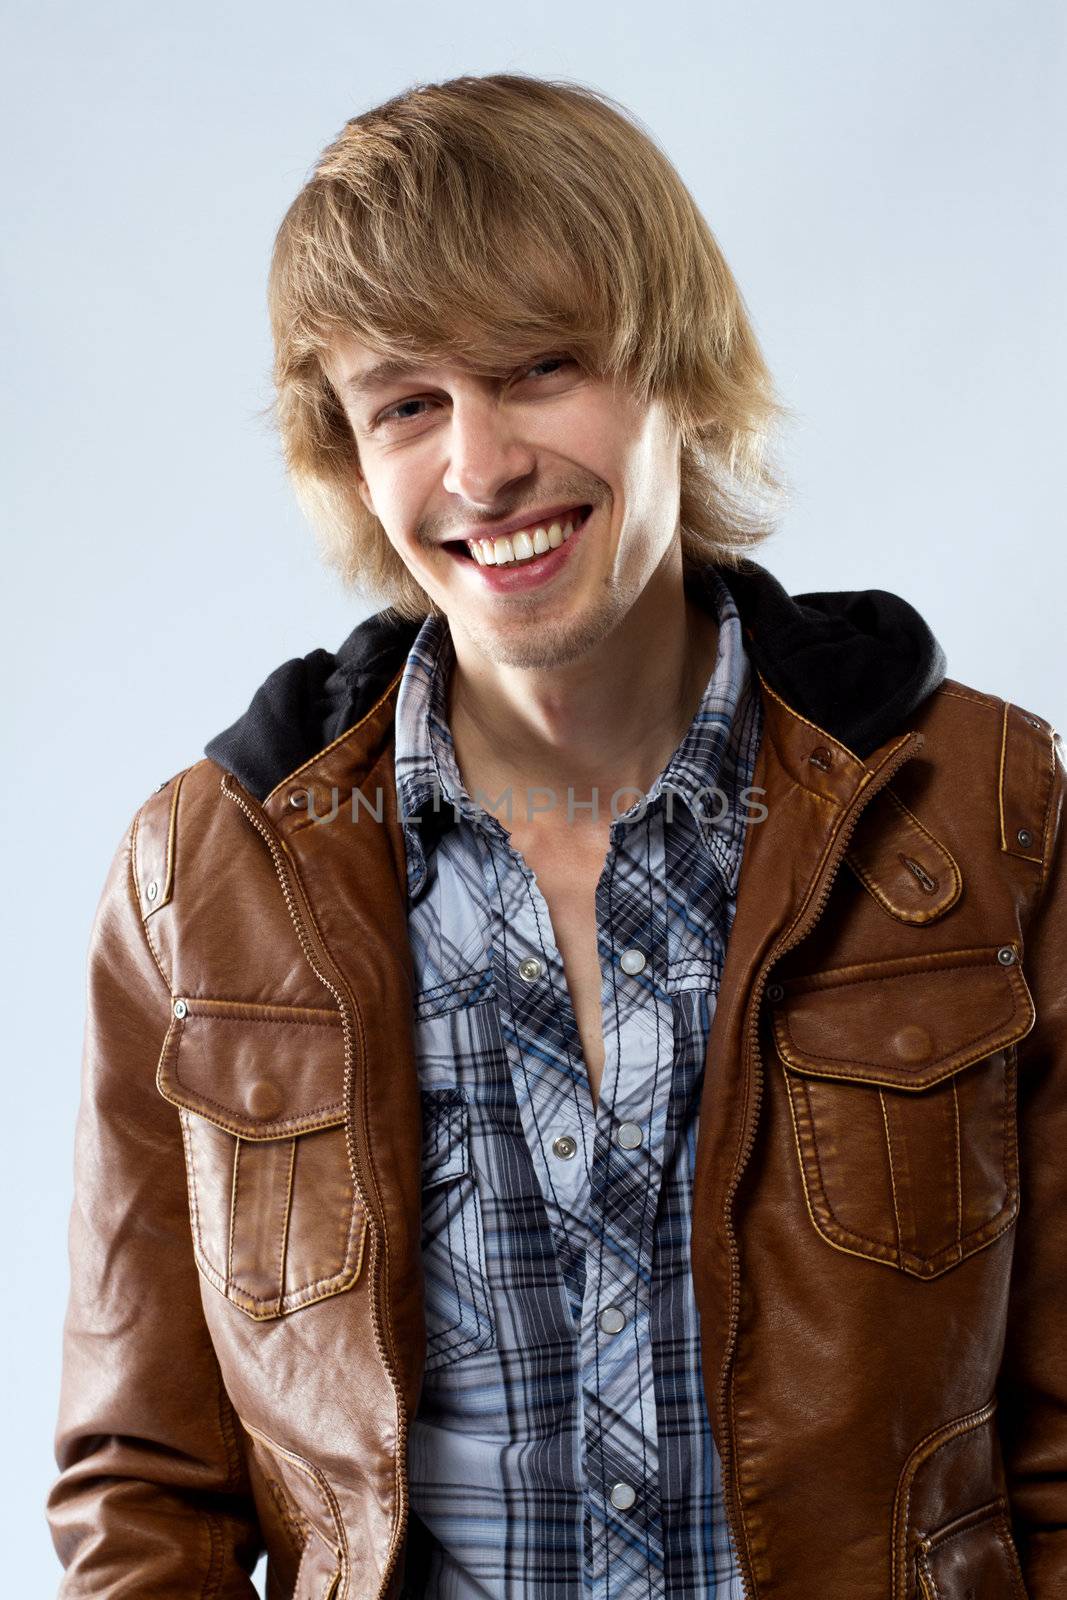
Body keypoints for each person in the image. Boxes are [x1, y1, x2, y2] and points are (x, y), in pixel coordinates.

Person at [46, 72, 1065, 1600]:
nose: (480, 468)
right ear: (349, 450)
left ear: (680, 372)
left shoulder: (988, 809)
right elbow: (147, 1489)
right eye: (408, 403)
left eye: (537, 370)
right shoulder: (204, 879)